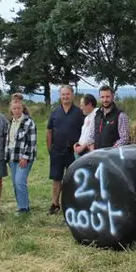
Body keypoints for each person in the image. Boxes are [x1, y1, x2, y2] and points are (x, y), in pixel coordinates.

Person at [46, 85, 84, 214]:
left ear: (72, 95)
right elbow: (49, 131)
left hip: (73, 152)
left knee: (72, 179)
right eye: (63, 94)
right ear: (60, 96)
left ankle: (71, 205)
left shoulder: (79, 113)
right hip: (57, 151)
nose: (65, 97)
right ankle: (55, 204)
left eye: (67, 94)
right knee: (56, 179)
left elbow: (85, 132)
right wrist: (50, 149)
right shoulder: (55, 112)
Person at [6, 100, 37, 215]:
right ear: (11, 110)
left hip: (24, 158)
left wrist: (25, 157)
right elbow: (9, 141)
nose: (17, 110)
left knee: (20, 181)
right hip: (12, 157)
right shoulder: (11, 122)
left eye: (19, 108)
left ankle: (24, 208)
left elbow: (32, 142)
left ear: (22, 109)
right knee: (15, 183)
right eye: (14, 108)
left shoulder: (29, 122)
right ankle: (21, 205)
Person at [87, 85, 130, 150]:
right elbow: (91, 136)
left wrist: (109, 152)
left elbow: (124, 139)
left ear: (112, 97)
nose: (105, 100)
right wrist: (93, 151)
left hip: (112, 157)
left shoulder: (120, 115)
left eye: (107, 97)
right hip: (96, 155)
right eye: (102, 97)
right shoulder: (97, 114)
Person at [73, 93, 98, 158]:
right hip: (80, 151)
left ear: (89, 104)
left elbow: (94, 136)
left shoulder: (97, 115)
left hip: (87, 152)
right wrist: (77, 144)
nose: (81, 108)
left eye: (82, 105)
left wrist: (82, 147)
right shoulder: (87, 117)